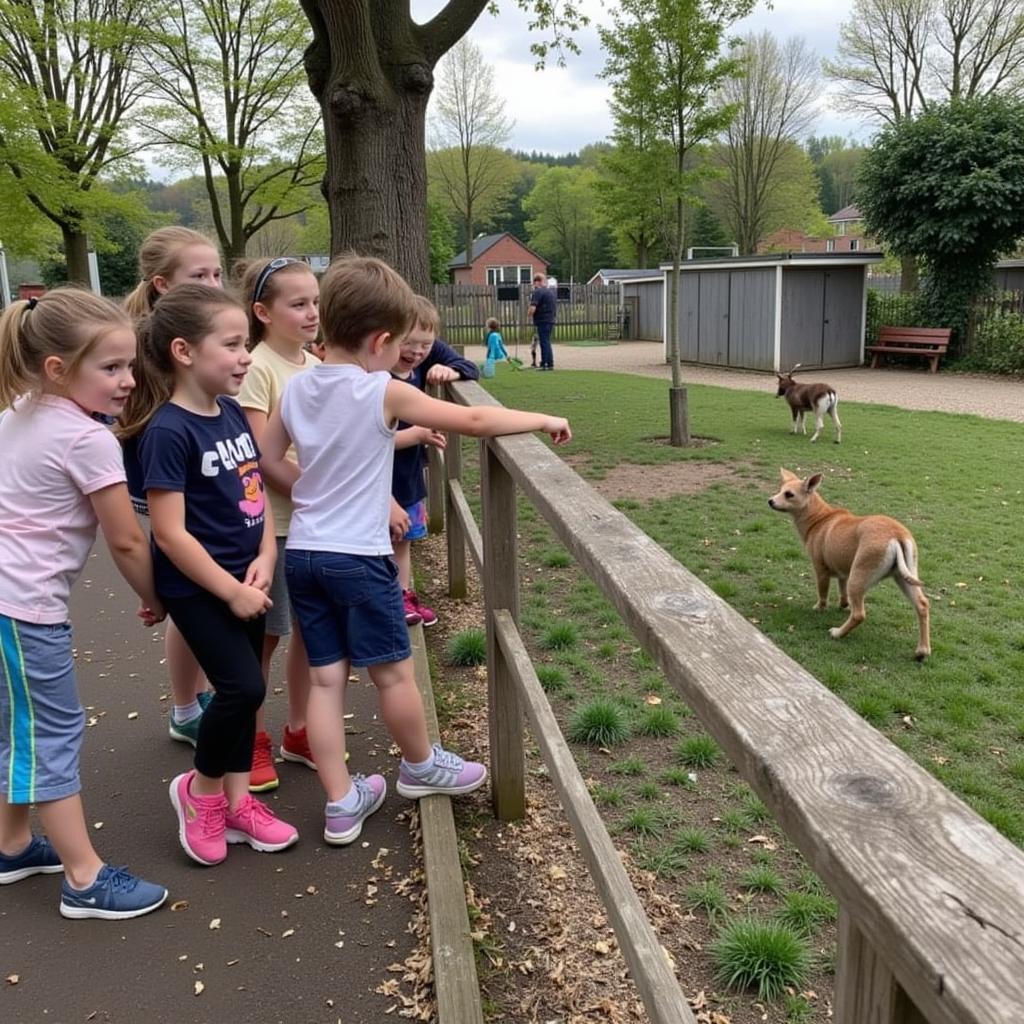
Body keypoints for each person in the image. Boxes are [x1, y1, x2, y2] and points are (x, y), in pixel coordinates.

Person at [260, 255, 571, 846]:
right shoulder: (382, 391)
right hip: (358, 558)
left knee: (326, 683)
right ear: (380, 341)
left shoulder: (299, 389)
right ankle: (422, 765)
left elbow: (270, 457)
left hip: (302, 553)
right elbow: (475, 419)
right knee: (393, 674)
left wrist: (314, 491)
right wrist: (545, 416)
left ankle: (340, 801)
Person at [0, 289, 168, 919]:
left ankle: (13, 845)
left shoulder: (20, 409)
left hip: (8, 603)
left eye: (130, 366)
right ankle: (84, 878)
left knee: (21, 727)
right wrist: (155, 597)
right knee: (53, 731)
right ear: (56, 368)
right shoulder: (86, 440)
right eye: (111, 368)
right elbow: (126, 538)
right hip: (23, 606)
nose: (128, 381)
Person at [125, 285, 299, 866]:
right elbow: (169, 534)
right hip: (200, 588)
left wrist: (266, 561)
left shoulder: (228, 413)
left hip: (249, 576)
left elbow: (252, 496)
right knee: (242, 688)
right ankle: (198, 793)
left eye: (245, 344)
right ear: (183, 351)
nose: (245, 355)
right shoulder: (169, 432)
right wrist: (229, 590)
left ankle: (238, 800)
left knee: (248, 690)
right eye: (231, 344)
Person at [120, 227, 223, 750]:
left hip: (204, 476)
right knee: (191, 597)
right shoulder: (146, 343)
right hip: (171, 479)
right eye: (198, 275)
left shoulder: (200, 331)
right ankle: (186, 708)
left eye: (217, 274)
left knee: (203, 595)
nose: (212, 283)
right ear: (162, 284)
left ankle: (196, 696)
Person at [236, 257, 320, 791]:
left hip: (314, 522)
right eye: (299, 304)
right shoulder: (259, 367)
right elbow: (261, 457)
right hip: (275, 526)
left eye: (316, 301)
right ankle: (252, 737)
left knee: (312, 637)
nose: (313, 312)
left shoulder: (315, 365)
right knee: (264, 640)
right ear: (263, 312)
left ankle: (299, 730)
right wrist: (325, 494)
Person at [390, 296, 479, 628]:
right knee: (381, 539)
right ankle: (385, 600)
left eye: (425, 345)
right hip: (381, 475)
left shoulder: (423, 360)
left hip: (410, 472)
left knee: (404, 538)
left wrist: (451, 369)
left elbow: (471, 368)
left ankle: (401, 594)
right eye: (408, 343)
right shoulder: (375, 377)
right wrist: (416, 434)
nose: (416, 352)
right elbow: (365, 441)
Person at [528, 274, 557, 371]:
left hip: (542, 320)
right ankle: (550, 363)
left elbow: (533, 308)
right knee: (547, 341)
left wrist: (528, 314)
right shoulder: (550, 292)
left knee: (544, 342)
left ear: (537, 282)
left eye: (534, 282)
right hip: (550, 319)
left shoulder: (538, 292)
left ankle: (544, 363)